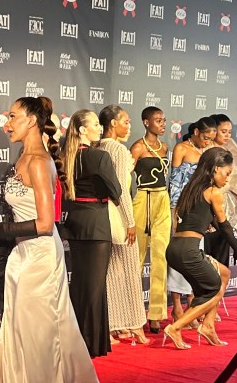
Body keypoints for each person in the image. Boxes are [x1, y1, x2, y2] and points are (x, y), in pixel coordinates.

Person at [0, 97, 98, 383]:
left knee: (41, 334)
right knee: (17, 332)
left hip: (42, 257)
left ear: (32, 120)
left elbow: (46, 223)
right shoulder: (22, 157)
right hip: (22, 257)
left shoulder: (37, 162)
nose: (7, 123)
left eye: (14, 116)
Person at [164, 147, 237, 349]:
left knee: (224, 274)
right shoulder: (213, 192)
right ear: (216, 169)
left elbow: (205, 221)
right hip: (189, 251)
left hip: (176, 248)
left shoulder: (190, 188)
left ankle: (208, 325)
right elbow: (224, 225)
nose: (228, 179)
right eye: (227, 173)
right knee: (213, 289)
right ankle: (176, 327)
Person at [60, 109, 122, 358]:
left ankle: (79, 340)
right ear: (83, 130)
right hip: (97, 224)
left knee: (81, 284)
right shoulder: (100, 156)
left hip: (74, 223)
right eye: (95, 124)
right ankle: (89, 343)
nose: (100, 128)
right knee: (95, 286)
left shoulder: (64, 156)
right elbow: (117, 191)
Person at [98, 105, 148, 345]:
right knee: (126, 270)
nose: (129, 127)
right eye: (125, 122)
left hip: (103, 217)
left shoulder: (98, 146)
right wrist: (130, 221)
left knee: (111, 272)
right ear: (112, 124)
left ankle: (115, 325)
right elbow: (120, 191)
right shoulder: (117, 149)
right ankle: (135, 325)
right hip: (118, 216)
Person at [167, 118, 216, 322]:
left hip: (200, 210)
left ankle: (191, 305)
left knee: (196, 258)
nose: (207, 142)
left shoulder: (207, 153)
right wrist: (174, 213)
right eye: (205, 137)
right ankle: (177, 307)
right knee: (180, 258)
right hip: (182, 208)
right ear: (195, 131)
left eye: (211, 139)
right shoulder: (181, 149)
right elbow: (175, 182)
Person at [130, 105, 171, 334]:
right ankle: (133, 313)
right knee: (136, 259)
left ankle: (156, 314)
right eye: (158, 120)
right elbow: (126, 179)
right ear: (146, 122)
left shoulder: (165, 146)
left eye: (164, 120)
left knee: (161, 258)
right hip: (142, 201)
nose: (162, 123)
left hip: (162, 201)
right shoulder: (137, 148)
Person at [205, 115, 237, 268]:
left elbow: (236, 186)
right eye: (223, 131)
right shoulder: (206, 152)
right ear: (214, 131)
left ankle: (219, 290)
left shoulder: (232, 151)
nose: (227, 135)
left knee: (223, 252)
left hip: (227, 207)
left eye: (229, 132)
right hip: (208, 206)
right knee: (207, 254)